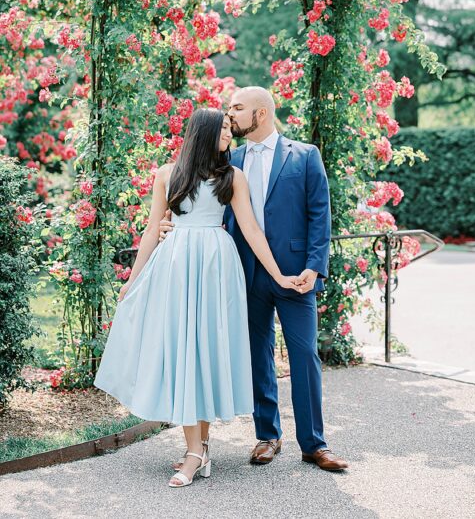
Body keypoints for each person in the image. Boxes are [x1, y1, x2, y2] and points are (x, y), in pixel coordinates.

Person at [94, 108, 304, 488]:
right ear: (205, 133)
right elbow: (149, 231)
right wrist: (132, 278)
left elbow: (253, 231)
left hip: (215, 268)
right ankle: (197, 449)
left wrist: (279, 276)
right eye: (224, 129)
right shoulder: (166, 174)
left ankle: (196, 450)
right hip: (175, 266)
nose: (230, 135)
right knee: (184, 353)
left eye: (230, 129)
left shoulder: (232, 177)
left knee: (203, 353)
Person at [158, 86, 348, 472]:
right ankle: (267, 436)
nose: (231, 116)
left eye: (238, 109)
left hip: (296, 276)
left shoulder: (306, 156)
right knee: (258, 355)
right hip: (244, 273)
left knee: (304, 356)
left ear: (260, 114)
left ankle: (314, 444)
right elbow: (203, 207)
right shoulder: (230, 161)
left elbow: (319, 216)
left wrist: (314, 266)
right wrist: (168, 225)